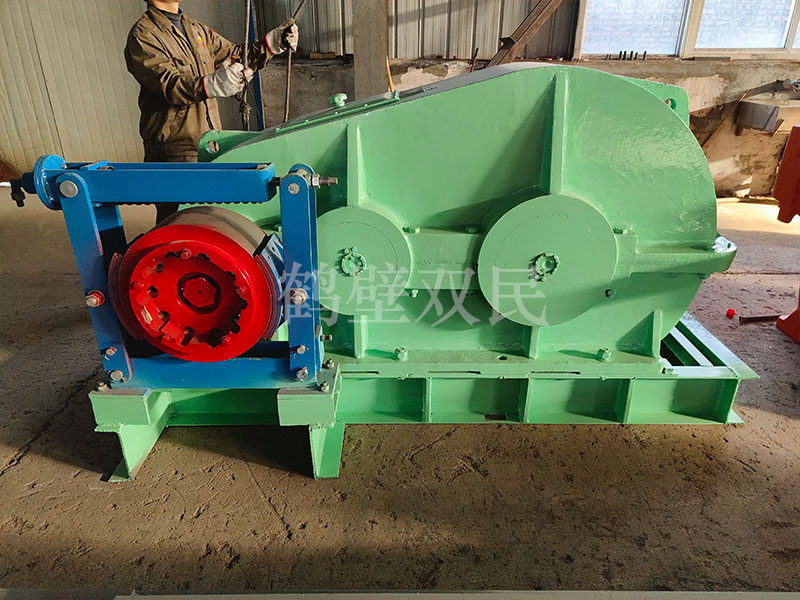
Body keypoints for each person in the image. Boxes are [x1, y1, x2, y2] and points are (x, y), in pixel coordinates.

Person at [125, 0, 298, 222]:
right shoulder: (143, 35)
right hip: (175, 150)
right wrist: (211, 84)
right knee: (179, 224)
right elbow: (171, 85)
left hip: (210, 143)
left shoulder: (194, 28)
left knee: (209, 222)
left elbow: (235, 54)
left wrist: (271, 43)